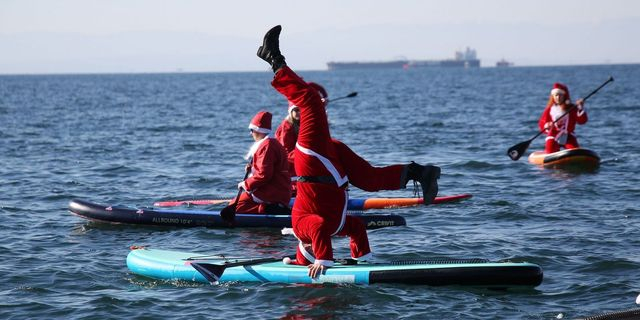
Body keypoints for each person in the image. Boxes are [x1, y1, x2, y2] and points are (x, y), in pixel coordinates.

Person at [257, 25, 441, 278]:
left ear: (305, 247)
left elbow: (318, 227)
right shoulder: (333, 226)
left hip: (314, 164)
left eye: (313, 248)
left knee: (311, 102)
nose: (315, 244)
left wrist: (323, 259)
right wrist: (356, 261)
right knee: (369, 179)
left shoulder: (302, 229)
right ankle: (417, 172)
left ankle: (274, 59)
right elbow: (349, 227)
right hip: (320, 167)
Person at [232, 110, 291, 214]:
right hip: (280, 189)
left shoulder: (266, 146)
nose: (251, 133)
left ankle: (270, 209)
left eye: (251, 130)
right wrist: (252, 169)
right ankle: (269, 207)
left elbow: (264, 175)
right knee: (239, 202)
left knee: (235, 206)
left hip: (272, 192)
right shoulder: (273, 142)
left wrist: (246, 184)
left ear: (258, 130)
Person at [538, 82, 588, 154]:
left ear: (564, 96)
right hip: (553, 135)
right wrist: (546, 126)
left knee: (575, 151)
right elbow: (541, 124)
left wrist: (580, 108)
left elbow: (582, 121)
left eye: (560, 95)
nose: (558, 98)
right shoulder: (549, 109)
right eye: (556, 95)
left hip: (569, 136)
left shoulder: (572, 108)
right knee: (550, 150)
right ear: (553, 96)